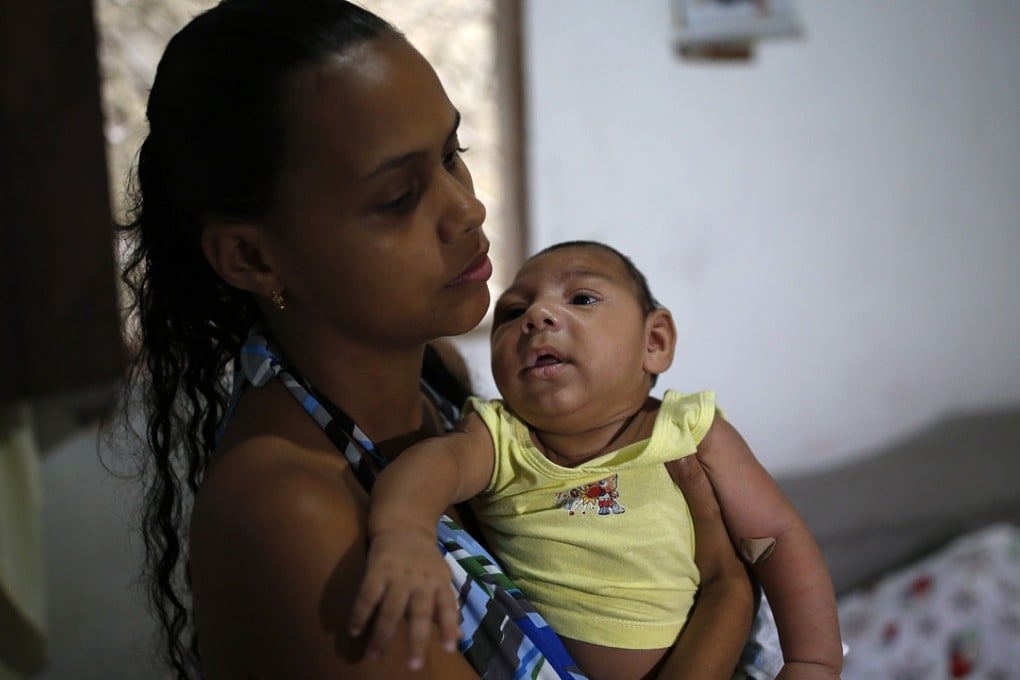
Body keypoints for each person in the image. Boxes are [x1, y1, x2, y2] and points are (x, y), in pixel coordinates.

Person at [115, 1, 757, 678]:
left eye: (454, 154)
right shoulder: (290, 513)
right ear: (252, 259)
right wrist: (726, 592)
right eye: (398, 197)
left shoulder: (436, 382)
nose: (467, 208)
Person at [353, 241, 845, 679]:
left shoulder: (689, 430)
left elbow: (777, 537)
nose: (537, 316)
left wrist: (813, 660)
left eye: (581, 298)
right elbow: (434, 465)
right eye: (512, 311)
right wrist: (404, 532)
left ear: (654, 342)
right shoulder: (499, 436)